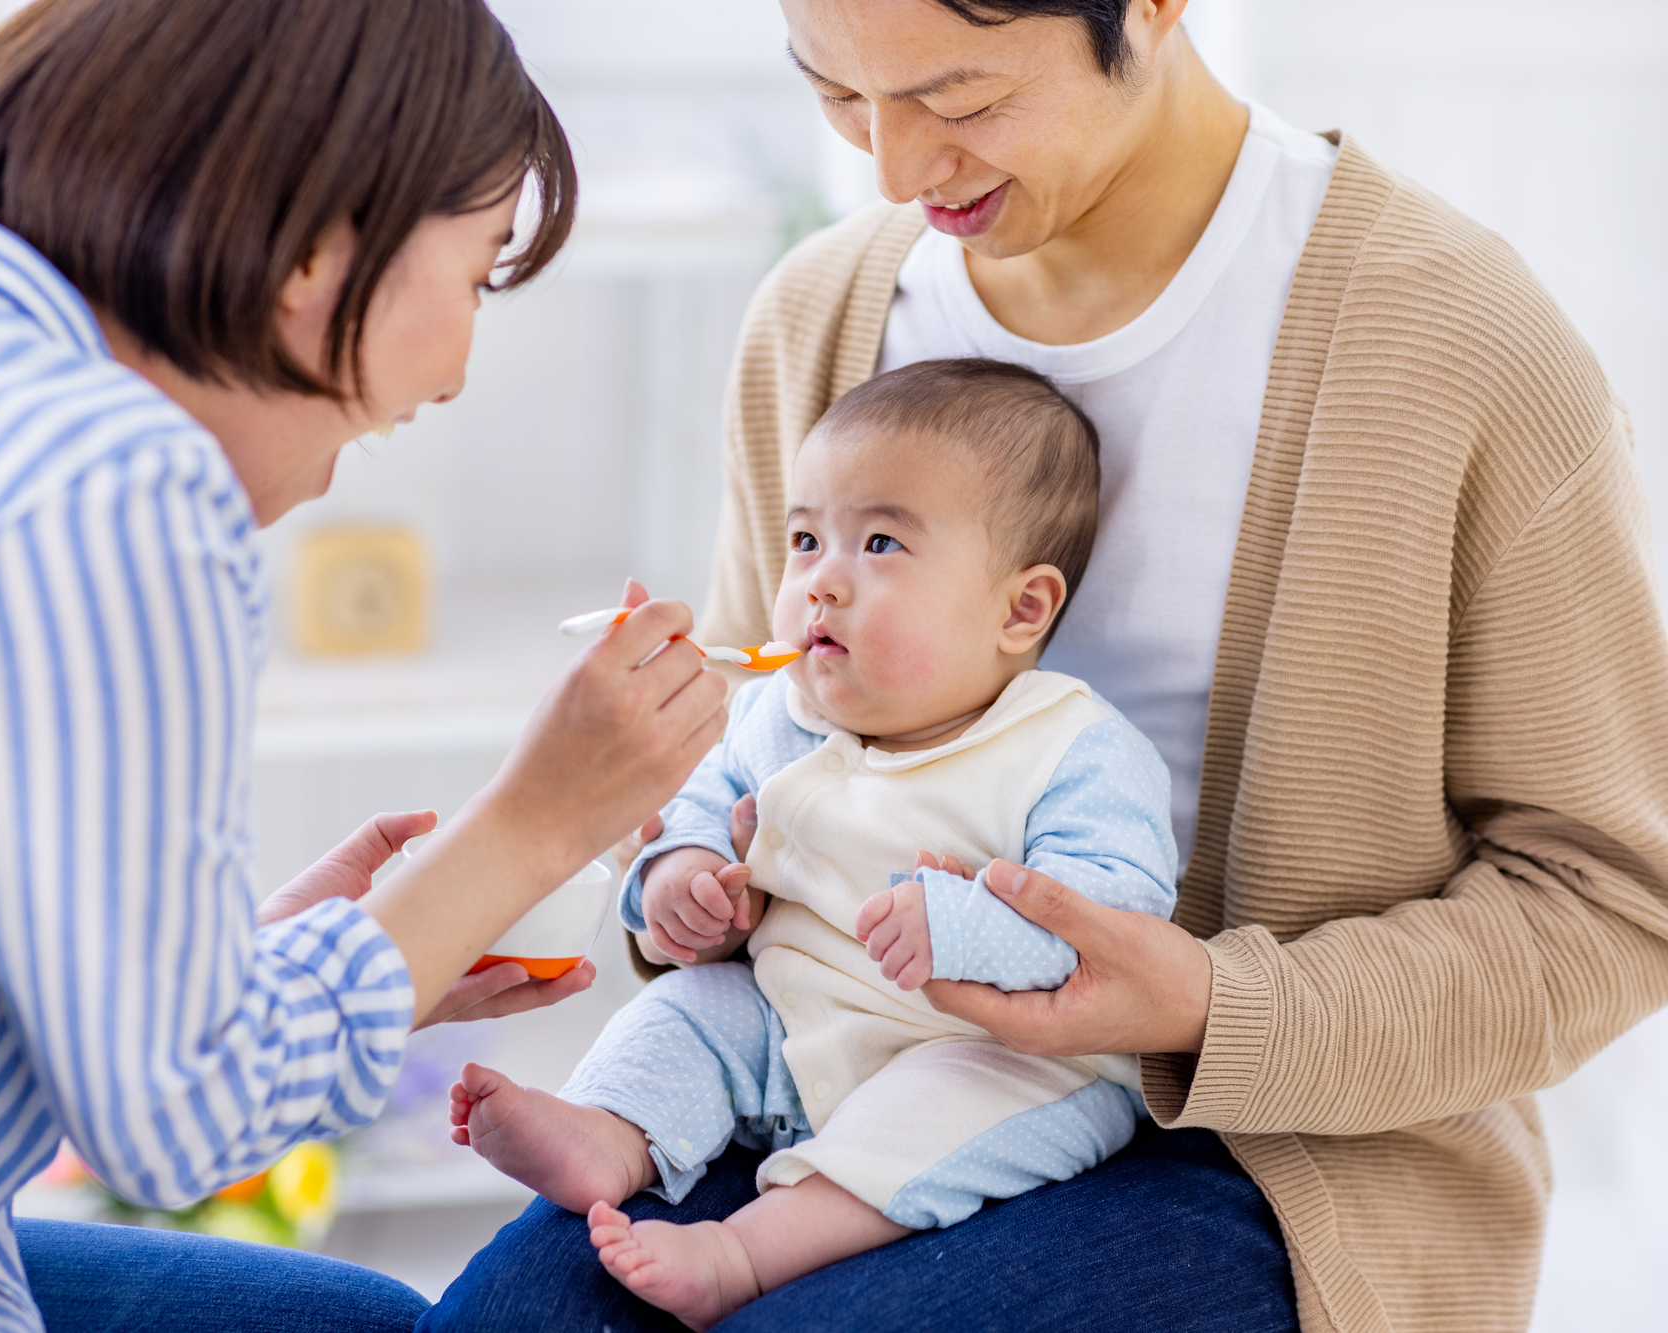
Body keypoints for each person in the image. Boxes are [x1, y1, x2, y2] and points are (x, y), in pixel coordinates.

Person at [426, 1, 1668, 1330]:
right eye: (838, 96)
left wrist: (1207, 1004)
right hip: (816, 1039)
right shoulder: (821, 314)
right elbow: (764, 735)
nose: (894, 169)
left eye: (959, 102)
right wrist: (682, 873)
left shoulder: (1461, 346)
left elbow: (1609, 904)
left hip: (1275, 1150)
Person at [0, 2, 729, 1331]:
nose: (456, 371)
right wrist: (533, 827)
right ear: (316, 252)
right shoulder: (105, 475)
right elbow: (176, 1120)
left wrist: (275, 958)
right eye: (474, 275)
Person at [449, 359, 1180, 1329]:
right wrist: (683, 879)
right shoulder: (773, 713)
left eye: (878, 543)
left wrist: (964, 926)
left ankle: (742, 1251)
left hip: (991, 1054)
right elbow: (697, 809)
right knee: (696, 1010)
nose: (820, 581)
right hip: (789, 1033)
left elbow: (1113, 921)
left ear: (1021, 609)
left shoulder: (1070, 748)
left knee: (941, 1104)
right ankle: (608, 1132)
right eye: (804, 539)